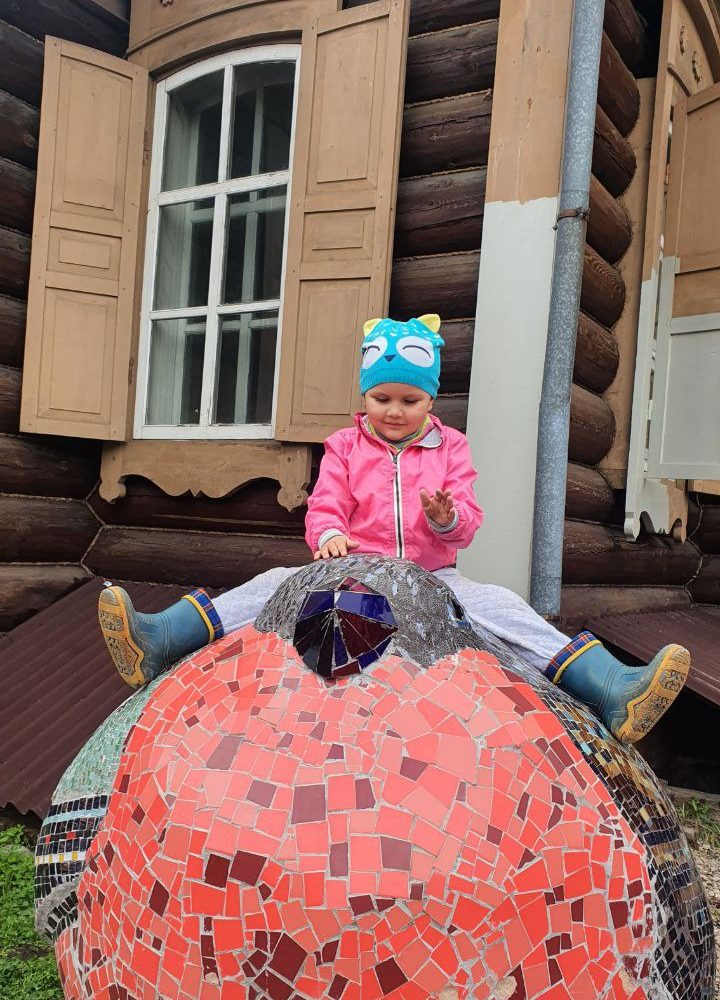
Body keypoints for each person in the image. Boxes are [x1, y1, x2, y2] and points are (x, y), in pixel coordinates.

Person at [98, 314, 690, 744]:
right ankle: (162, 638)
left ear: (430, 400)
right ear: (366, 395)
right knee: (273, 582)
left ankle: (610, 686)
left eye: (409, 399)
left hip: (433, 576)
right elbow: (325, 503)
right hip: (352, 574)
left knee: (501, 607)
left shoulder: (451, 448)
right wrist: (329, 534)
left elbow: (467, 523)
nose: (394, 411)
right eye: (381, 398)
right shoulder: (344, 446)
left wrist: (446, 520)